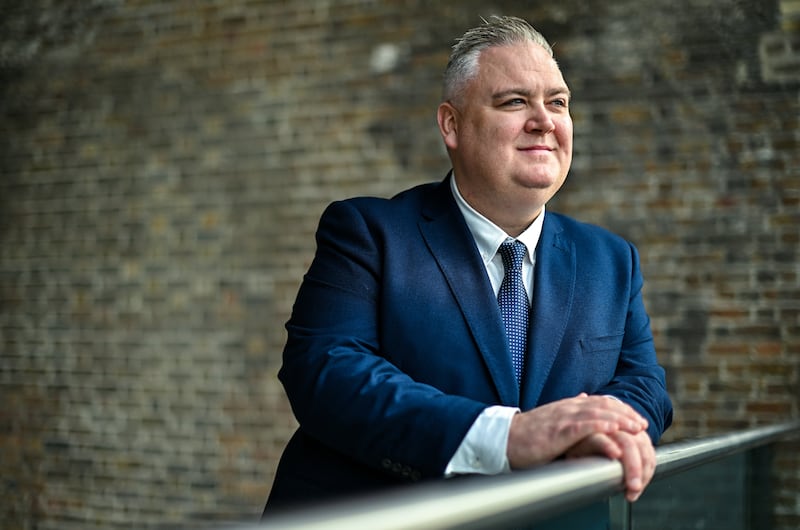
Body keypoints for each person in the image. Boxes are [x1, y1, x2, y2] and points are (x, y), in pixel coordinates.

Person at [264, 14, 673, 518]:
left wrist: (598, 434)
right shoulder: (368, 233)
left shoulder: (612, 260)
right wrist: (509, 436)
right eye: (515, 101)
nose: (544, 119)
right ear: (451, 125)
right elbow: (325, 370)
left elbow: (646, 385)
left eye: (558, 102)